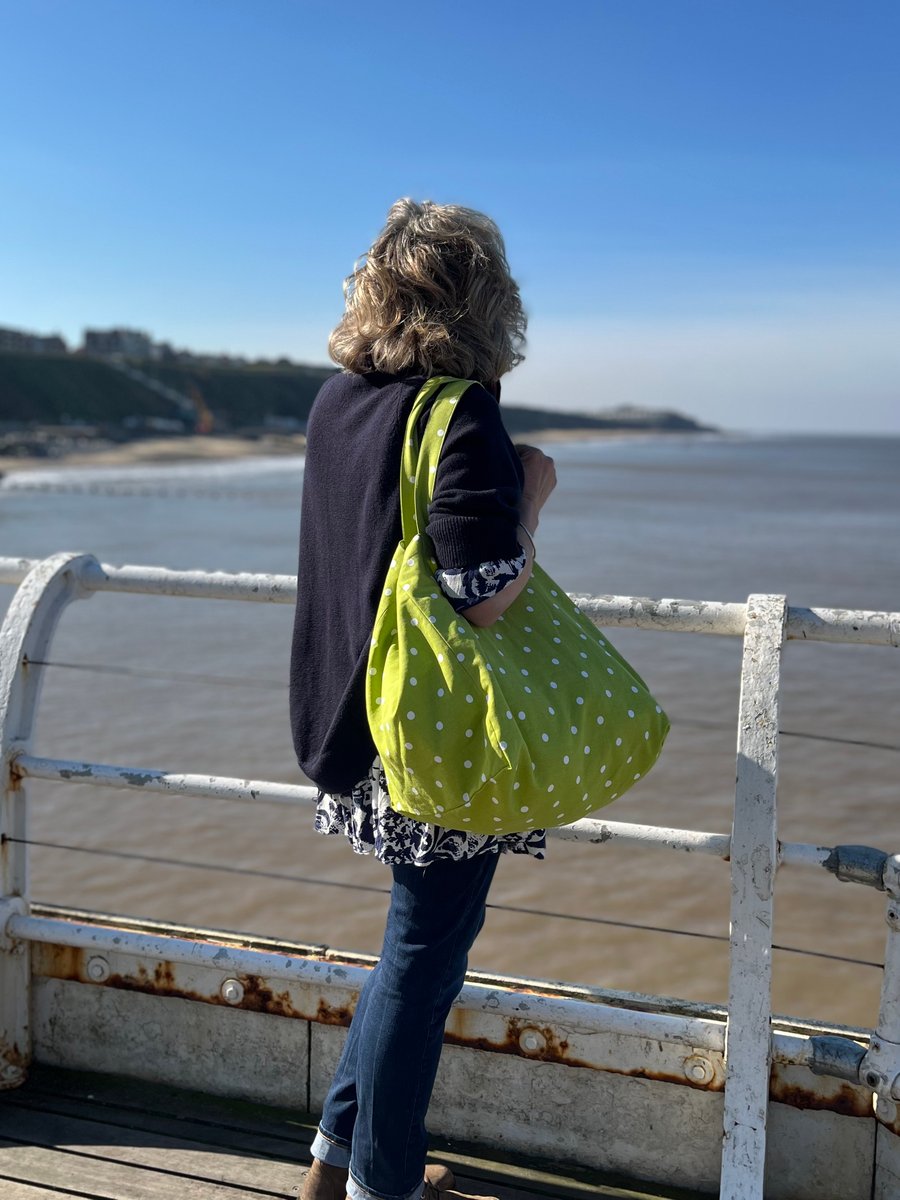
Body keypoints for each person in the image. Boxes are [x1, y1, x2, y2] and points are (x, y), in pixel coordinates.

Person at [290, 199, 557, 1200]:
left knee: (408, 951)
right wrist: (531, 489)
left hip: (350, 723)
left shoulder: (334, 402)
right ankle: (383, 1187)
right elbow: (484, 596)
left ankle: (331, 1164)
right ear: (489, 301)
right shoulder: (463, 411)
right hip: (430, 742)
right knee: (423, 964)